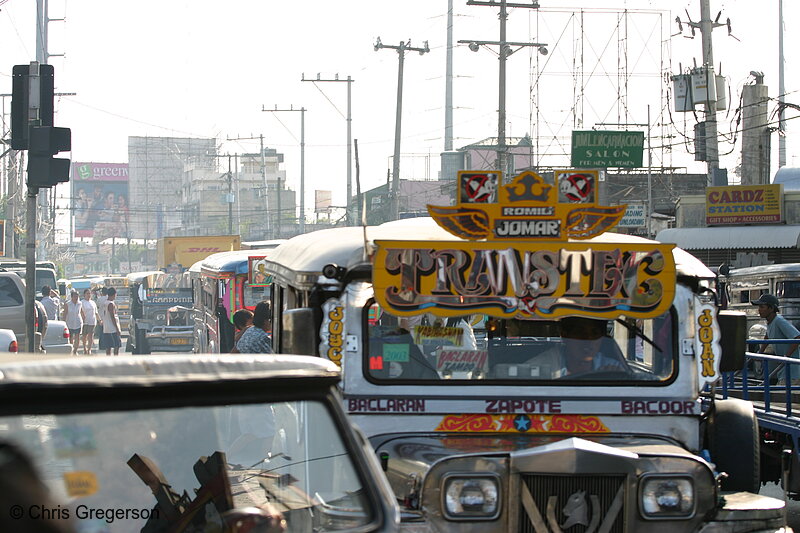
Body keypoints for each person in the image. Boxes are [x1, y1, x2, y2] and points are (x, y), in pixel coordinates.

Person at [532, 317, 628, 378]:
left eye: (595, 334)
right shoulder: (540, 366)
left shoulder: (613, 367)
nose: (589, 340)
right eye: (580, 333)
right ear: (565, 336)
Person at [751, 294, 800, 381]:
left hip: (793, 372)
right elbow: (767, 335)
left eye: (762, 307)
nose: (759, 310)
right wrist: (760, 352)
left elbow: (797, 337)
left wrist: (786, 357)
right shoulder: (770, 322)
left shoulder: (779, 321)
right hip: (783, 371)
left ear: (771, 308)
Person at [62, 290, 85, 355]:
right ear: (71, 297)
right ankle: (71, 350)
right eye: (75, 296)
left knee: (77, 336)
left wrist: (84, 318)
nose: (76, 298)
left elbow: (81, 311)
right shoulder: (68, 304)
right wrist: (63, 322)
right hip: (70, 322)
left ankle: (75, 350)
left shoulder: (80, 303)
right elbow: (65, 313)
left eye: (77, 296)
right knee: (71, 337)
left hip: (78, 322)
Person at [102, 287, 122, 355]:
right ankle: (115, 359)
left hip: (106, 328)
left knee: (108, 346)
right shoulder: (111, 304)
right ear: (114, 294)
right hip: (112, 328)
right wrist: (117, 328)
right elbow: (112, 316)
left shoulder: (105, 303)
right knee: (116, 345)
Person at [80, 289, 100, 355]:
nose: (89, 295)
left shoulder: (93, 303)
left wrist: (99, 320)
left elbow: (96, 312)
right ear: (84, 295)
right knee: (84, 335)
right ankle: (85, 348)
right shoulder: (81, 302)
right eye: (87, 293)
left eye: (89, 293)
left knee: (91, 335)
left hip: (92, 321)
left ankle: (89, 349)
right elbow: (80, 311)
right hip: (84, 322)